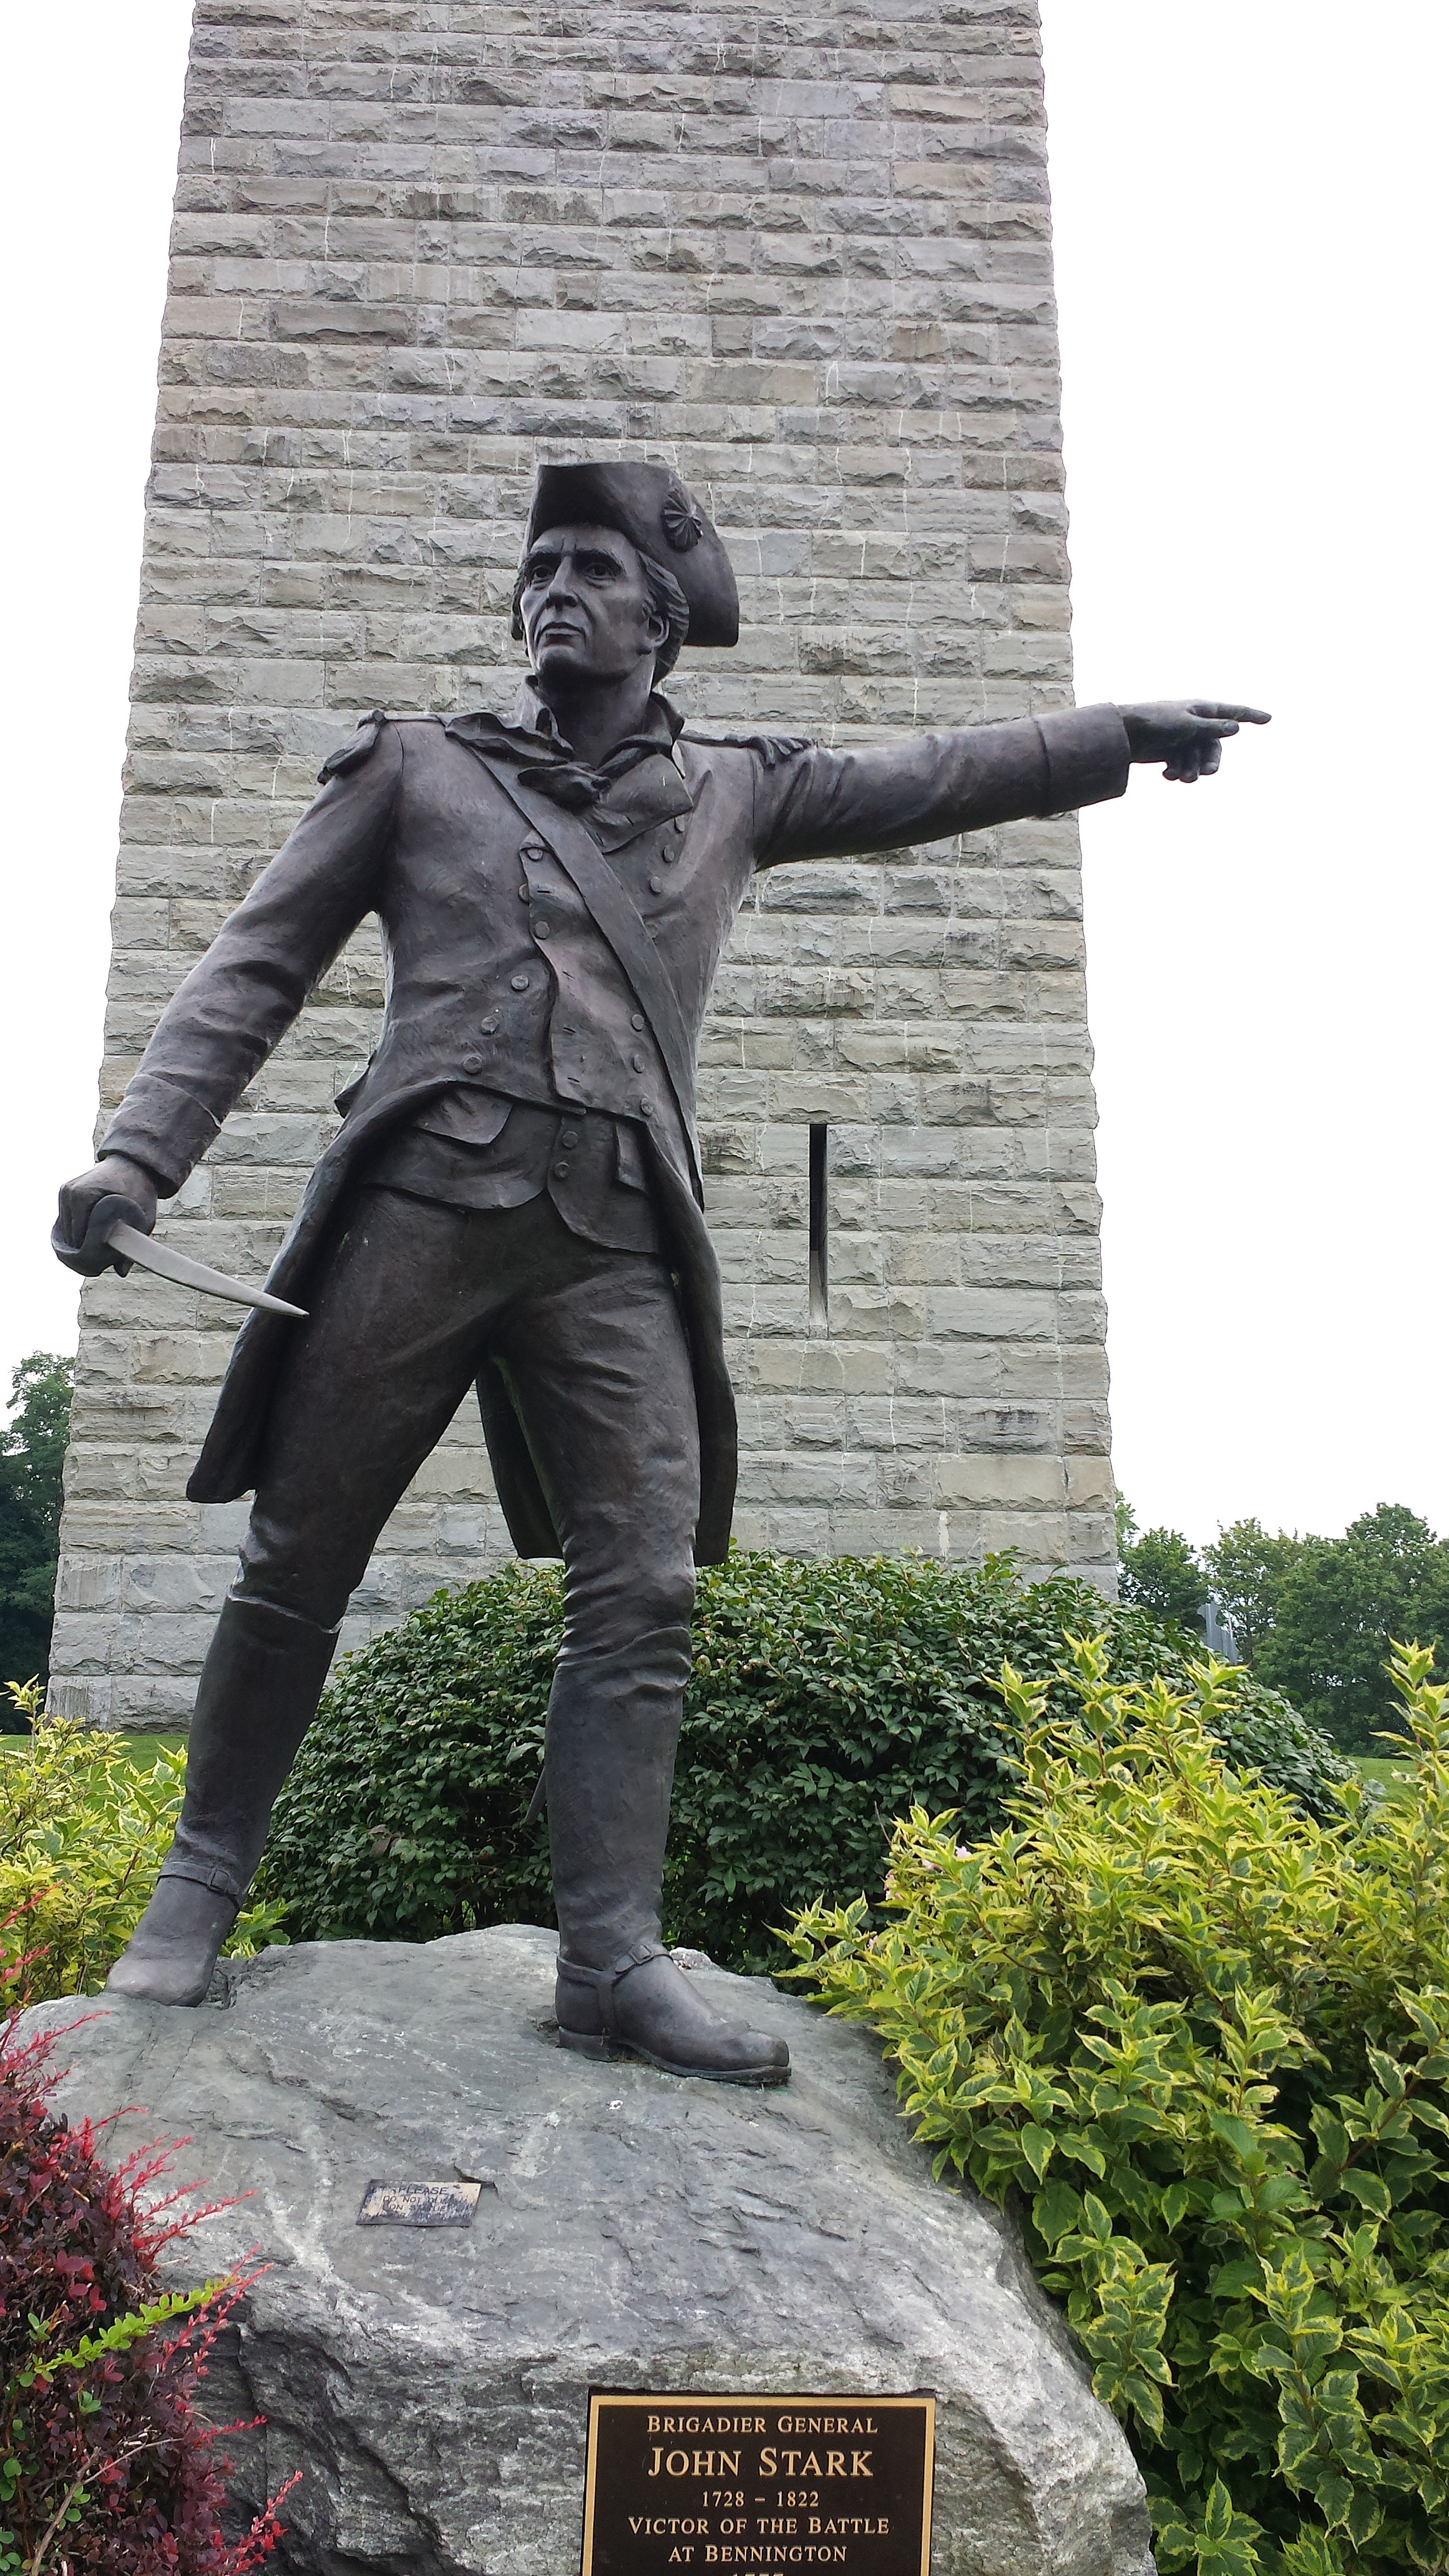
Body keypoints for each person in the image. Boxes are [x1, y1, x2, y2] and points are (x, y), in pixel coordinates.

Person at [54, 460, 1267, 2081]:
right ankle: (193, 1896)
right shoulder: (415, 769)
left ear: (662, 622)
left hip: (614, 1244)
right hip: (417, 1211)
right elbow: (253, 967)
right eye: (538, 565)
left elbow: (929, 775)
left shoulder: (736, 791)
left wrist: (1113, 731)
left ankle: (612, 1965)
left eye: (592, 570)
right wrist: (138, 1158)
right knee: (297, 1562)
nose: (554, 587)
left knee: (643, 1596)